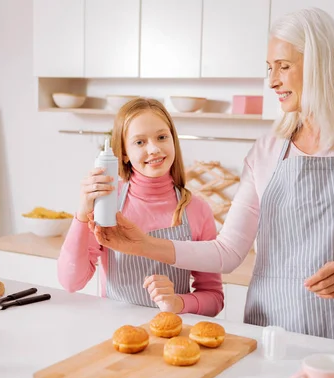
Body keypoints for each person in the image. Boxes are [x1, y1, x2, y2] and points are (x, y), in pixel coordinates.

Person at [87, 8, 334, 352]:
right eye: (270, 68)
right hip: (278, 332)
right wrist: (142, 245)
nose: (272, 81)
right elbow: (227, 252)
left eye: (284, 66)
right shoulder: (267, 150)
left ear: (321, 63)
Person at [57, 98, 224, 317]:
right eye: (139, 142)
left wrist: (178, 302)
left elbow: (214, 298)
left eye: (162, 137)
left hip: (172, 336)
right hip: (115, 331)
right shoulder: (108, 202)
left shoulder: (197, 210)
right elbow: (71, 282)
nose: (154, 149)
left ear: (173, 140)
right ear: (124, 153)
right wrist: (82, 213)